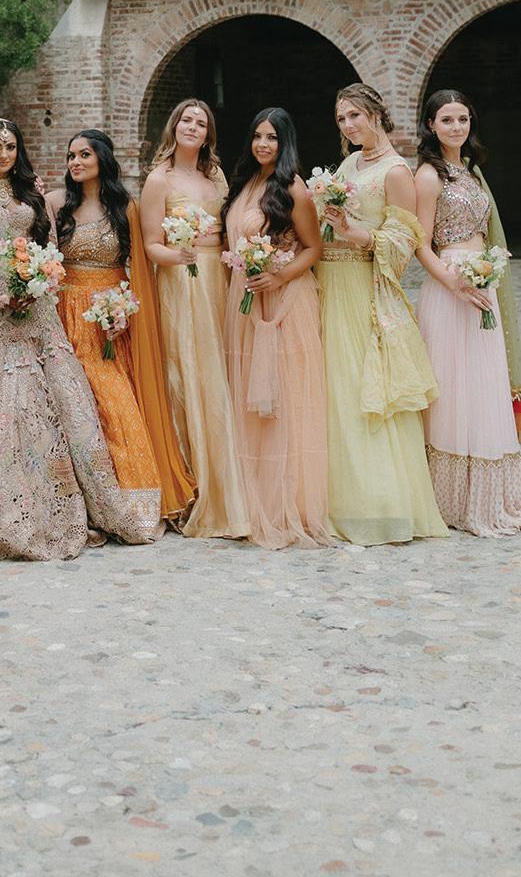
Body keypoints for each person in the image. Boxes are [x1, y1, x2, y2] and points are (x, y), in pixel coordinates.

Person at [0, 118, 160, 563]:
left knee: (67, 403)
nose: (4, 154)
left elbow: (48, 246)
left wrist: (38, 280)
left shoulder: (32, 194)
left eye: (11, 147)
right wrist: (2, 287)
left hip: (37, 309)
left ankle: (80, 503)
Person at [318, 82, 447, 545]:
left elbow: (405, 242)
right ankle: (337, 498)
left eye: (355, 115)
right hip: (331, 283)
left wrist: (355, 233)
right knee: (335, 388)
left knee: (364, 388)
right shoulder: (349, 164)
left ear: (376, 113)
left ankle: (379, 507)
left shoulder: (396, 172)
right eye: (341, 118)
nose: (348, 125)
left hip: (363, 287)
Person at [48, 129, 194, 527]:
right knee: (72, 408)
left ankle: (134, 503)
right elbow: (47, 263)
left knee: (115, 405)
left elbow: (138, 271)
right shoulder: (56, 204)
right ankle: (79, 505)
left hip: (109, 319)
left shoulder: (125, 208)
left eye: (84, 155)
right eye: (71, 156)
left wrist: (123, 312)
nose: (75, 162)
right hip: (64, 315)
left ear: (103, 159)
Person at [221, 108, 330, 549]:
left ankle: (285, 502)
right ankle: (249, 498)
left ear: (285, 143)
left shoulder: (292, 189)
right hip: (245, 300)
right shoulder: (245, 184)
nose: (263, 144)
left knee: (282, 397)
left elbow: (314, 248)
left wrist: (278, 275)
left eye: (272, 138)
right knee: (250, 395)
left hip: (283, 300)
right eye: (257, 136)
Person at [141, 99, 250, 539]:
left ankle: (229, 477)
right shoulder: (158, 179)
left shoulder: (215, 176)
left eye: (200, 123)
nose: (192, 127)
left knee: (219, 367)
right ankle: (191, 482)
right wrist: (177, 254)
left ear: (208, 134)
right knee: (186, 371)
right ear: (174, 127)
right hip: (181, 280)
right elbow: (151, 243)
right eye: (186, 120)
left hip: (218, 278)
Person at [414, 89, 521, 535]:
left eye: (462, 119)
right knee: (453, 385)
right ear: (431, 126)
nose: (456, 127)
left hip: (482, 282)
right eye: (446, 120)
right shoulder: (428, 176)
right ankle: (452, 500)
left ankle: (491, 494)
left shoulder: (472, 171)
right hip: (449, 286)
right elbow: (420, 244)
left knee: (483, 382)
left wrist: (486, 271)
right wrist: (454, 281)